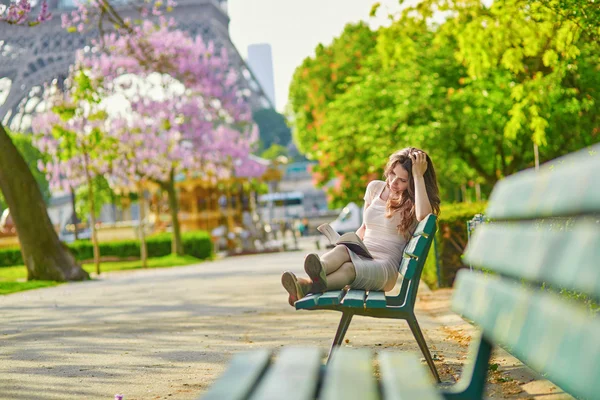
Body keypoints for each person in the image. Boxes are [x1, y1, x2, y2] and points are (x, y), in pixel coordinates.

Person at [281, 147, 440, 306]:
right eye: (392, 174)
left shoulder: (415, 200)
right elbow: (364, 228)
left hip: (384, 266)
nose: (393, 182)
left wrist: (418, 176)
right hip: (363, 252)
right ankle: (316, 271)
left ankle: (308, 282)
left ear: (413, 181)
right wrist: (345, 242)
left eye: (402, 180)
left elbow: (425, 217)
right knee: (342, 249)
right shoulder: (375, 188)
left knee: (349, 269)